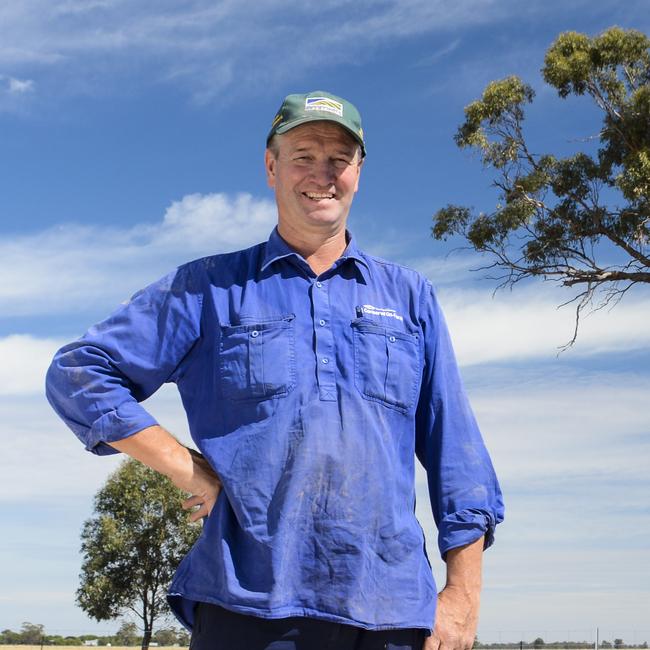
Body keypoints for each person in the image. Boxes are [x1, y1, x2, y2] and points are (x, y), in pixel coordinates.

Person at [46, 90, 504, 650]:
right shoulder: (207, 288)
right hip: (245, 606)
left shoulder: (411, 297)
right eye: (303, 155)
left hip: (390, 607)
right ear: (271, 166)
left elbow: (457, 453)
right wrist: (184, 466)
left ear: (359, 170)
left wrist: (463, 595)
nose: (322, 174)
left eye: (339, 159)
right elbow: (80, 372)